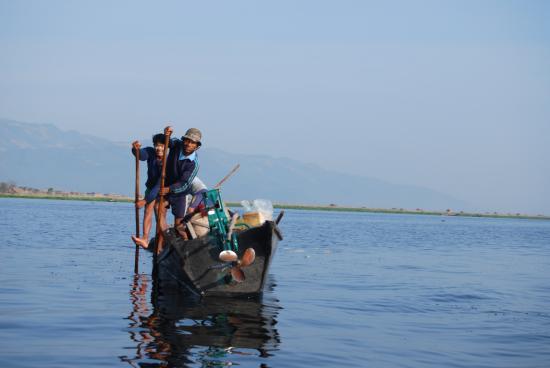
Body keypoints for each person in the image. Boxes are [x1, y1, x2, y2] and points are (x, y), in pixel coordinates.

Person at [160, 128, 203, 229]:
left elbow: (184, 184)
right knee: (158, 209)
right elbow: (168, 142)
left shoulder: (193, 163)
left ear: (196, 146)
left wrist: (168, 189)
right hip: (165, 185)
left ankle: (179, 240)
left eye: (193, 143)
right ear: (183, 140)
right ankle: (163, 237)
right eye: (187, 141)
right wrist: (166, 135)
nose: (189, 144)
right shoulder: (177, 144)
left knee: (179, 226)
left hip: (181, 194)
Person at [130, 132, 166, 249]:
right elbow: (142, 155)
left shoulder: (168, 162)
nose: (158, 148)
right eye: (156, 145)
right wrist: (136, 149)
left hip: (163, 190)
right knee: (147, 211)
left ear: (166, 146)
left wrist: (144, 201)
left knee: (159, 214)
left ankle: (162, 243)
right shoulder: (151, 152)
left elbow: (158, 185)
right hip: (151, 187)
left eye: (161, 145)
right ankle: (145, 238)